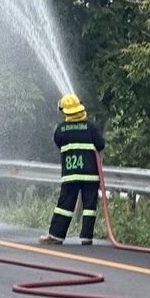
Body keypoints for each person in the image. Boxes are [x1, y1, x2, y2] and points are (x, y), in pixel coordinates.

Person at [40, 93, 106, 246]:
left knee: (65, 205)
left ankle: (56, 235)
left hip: (71, 174)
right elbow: (101, 144)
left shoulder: (61, 130)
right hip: (90, 174)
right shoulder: (90, 127)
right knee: (89, 206)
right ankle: (86, 237)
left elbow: (58, 142)